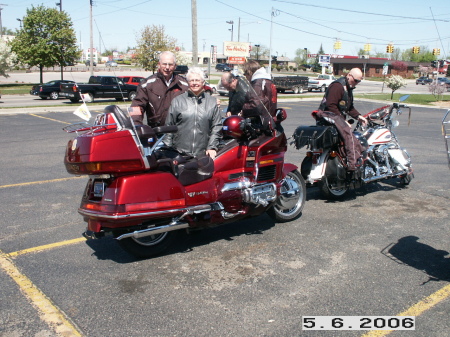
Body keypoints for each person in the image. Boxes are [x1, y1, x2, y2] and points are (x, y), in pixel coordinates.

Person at [315, 68, 368, 171]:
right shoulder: (337, 86)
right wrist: (343, 122)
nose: (357, 83)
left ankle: (354, 157)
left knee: (352, 138)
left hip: (335, 117)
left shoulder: (348, 88)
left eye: (359, 81)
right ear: (349, 75)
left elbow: (349, 107)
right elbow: (331, 106)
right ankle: (352, 165)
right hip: (327, 116)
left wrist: (358, 116)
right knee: (349, 137)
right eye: (356, 80)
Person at [164, 67, 222, 159]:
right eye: (191, 80)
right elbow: (169, 127)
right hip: (180, 153)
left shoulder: (212, 102)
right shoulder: (178, 101)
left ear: (203, 82)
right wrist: (167, 149)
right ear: (188, 83)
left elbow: (216, 127)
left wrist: (212, 147)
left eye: (197, 80)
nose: (194, 83)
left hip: (203, 154)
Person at [130, 51, 188, 127]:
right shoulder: (146, 85)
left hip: (179, 132)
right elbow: (136, 107)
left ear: (175, 66)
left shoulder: (185, 85)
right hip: (157, 132)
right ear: (159, 64)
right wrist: (137, 126)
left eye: (170, 64)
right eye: (164, 64)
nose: (167, 67)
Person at [241, 60, 277, 132]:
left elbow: (256, 105)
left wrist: (243, 110)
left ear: (250, 72)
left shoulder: (257, 83)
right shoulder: (266, 80)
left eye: (245, 74)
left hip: (260, 124)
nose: (245, 76)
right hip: (269, 121)